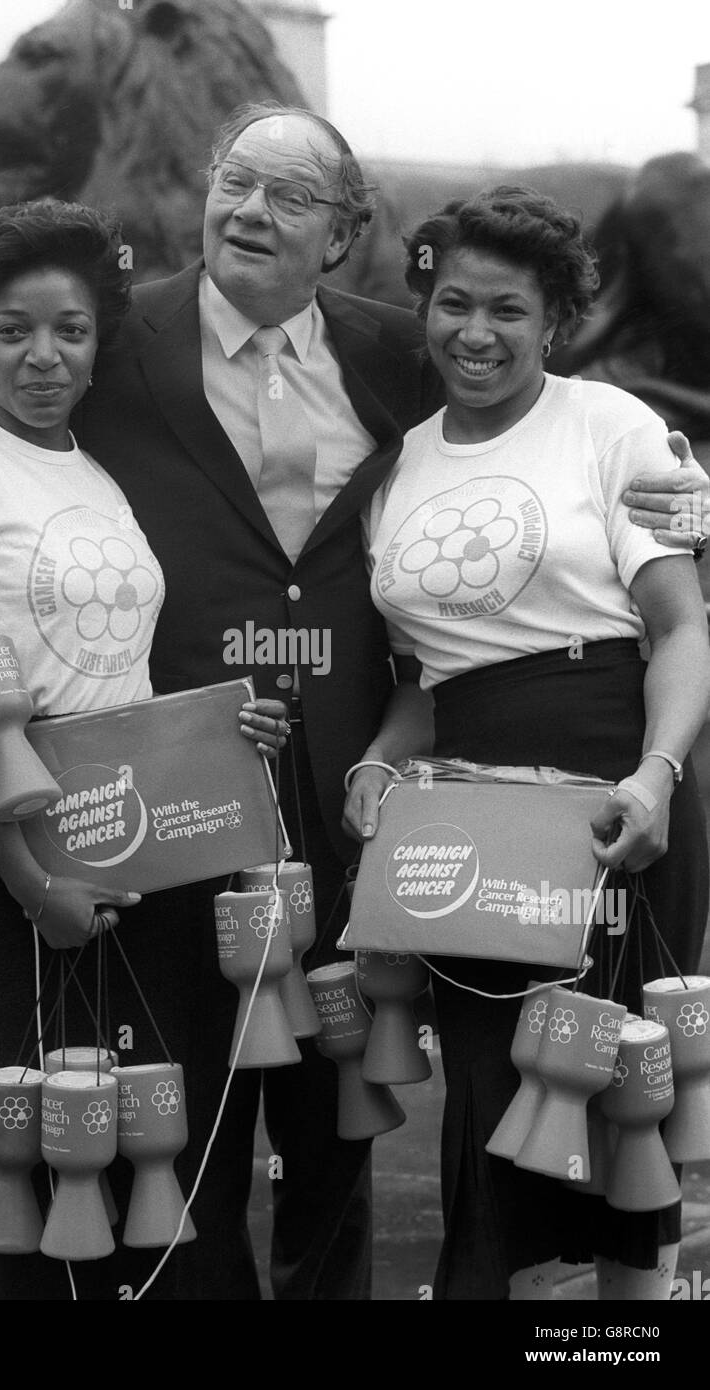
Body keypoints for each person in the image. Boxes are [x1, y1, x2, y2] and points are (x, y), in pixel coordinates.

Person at [0, 106, 709, 1302]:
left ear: (341, 236)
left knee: (339, 1133)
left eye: (288, 198)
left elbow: (536, 414)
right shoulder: (109, 334)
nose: (250, 212)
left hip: (362, 795)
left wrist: (678, 483)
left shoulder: (396, 347)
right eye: (234, 183)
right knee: (164, 1113)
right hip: (157, 799)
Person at [0, 197, 287, 1301]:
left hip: (138, 833)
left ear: (100, 337)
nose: (43, 356)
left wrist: (225, 736)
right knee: (18, 1142)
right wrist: (28, 877)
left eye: (68, 328)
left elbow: (126, 673)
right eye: (12, 330)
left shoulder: (97, 468)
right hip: (17, 843)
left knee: (144, 1122)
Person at [343, 185, 710, 1301]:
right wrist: (375, 762)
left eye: (508, 310)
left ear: (553, 321)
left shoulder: (611, 426)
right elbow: (421, 682)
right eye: (452, 303)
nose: (474, 333)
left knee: (618, 1094)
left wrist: (655, 777)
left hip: (616, 792)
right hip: (471, 809)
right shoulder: (394, 468)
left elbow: (680, 626)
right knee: (493, 1107)